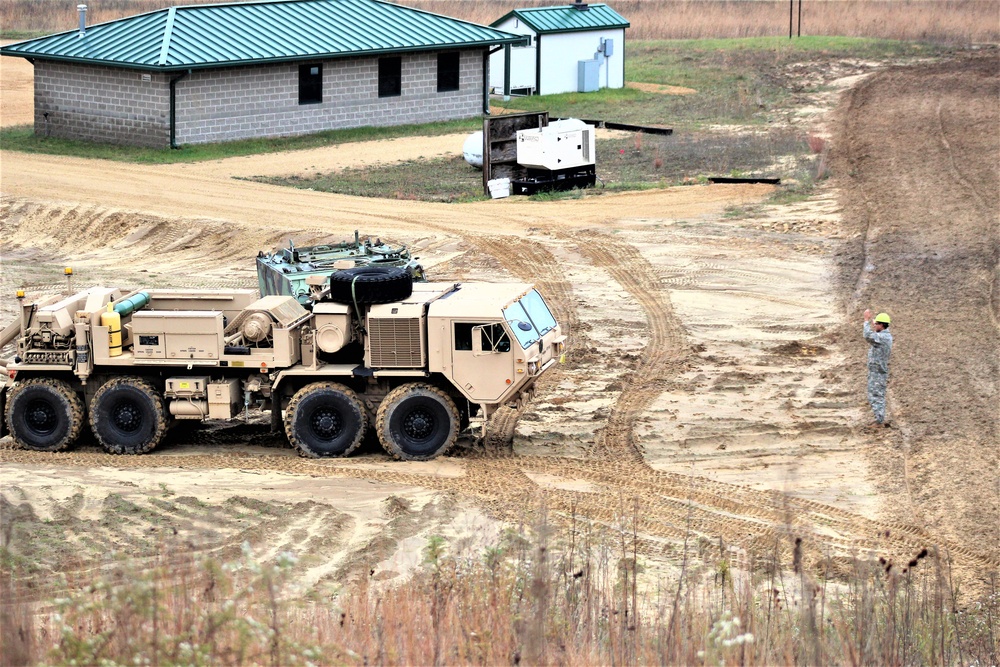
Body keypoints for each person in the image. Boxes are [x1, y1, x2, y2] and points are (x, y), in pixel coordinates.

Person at [863, 309, 893, 427]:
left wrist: (866, 320)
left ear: (881, 325)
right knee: (874, 394)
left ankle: (879, 420)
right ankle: (878, 418)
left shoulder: (883, 338)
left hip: (878, 372)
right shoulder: (882, 336)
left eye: (876, 324)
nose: (874, 325)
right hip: (875, 371)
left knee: (877, 395)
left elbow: (868, 336)